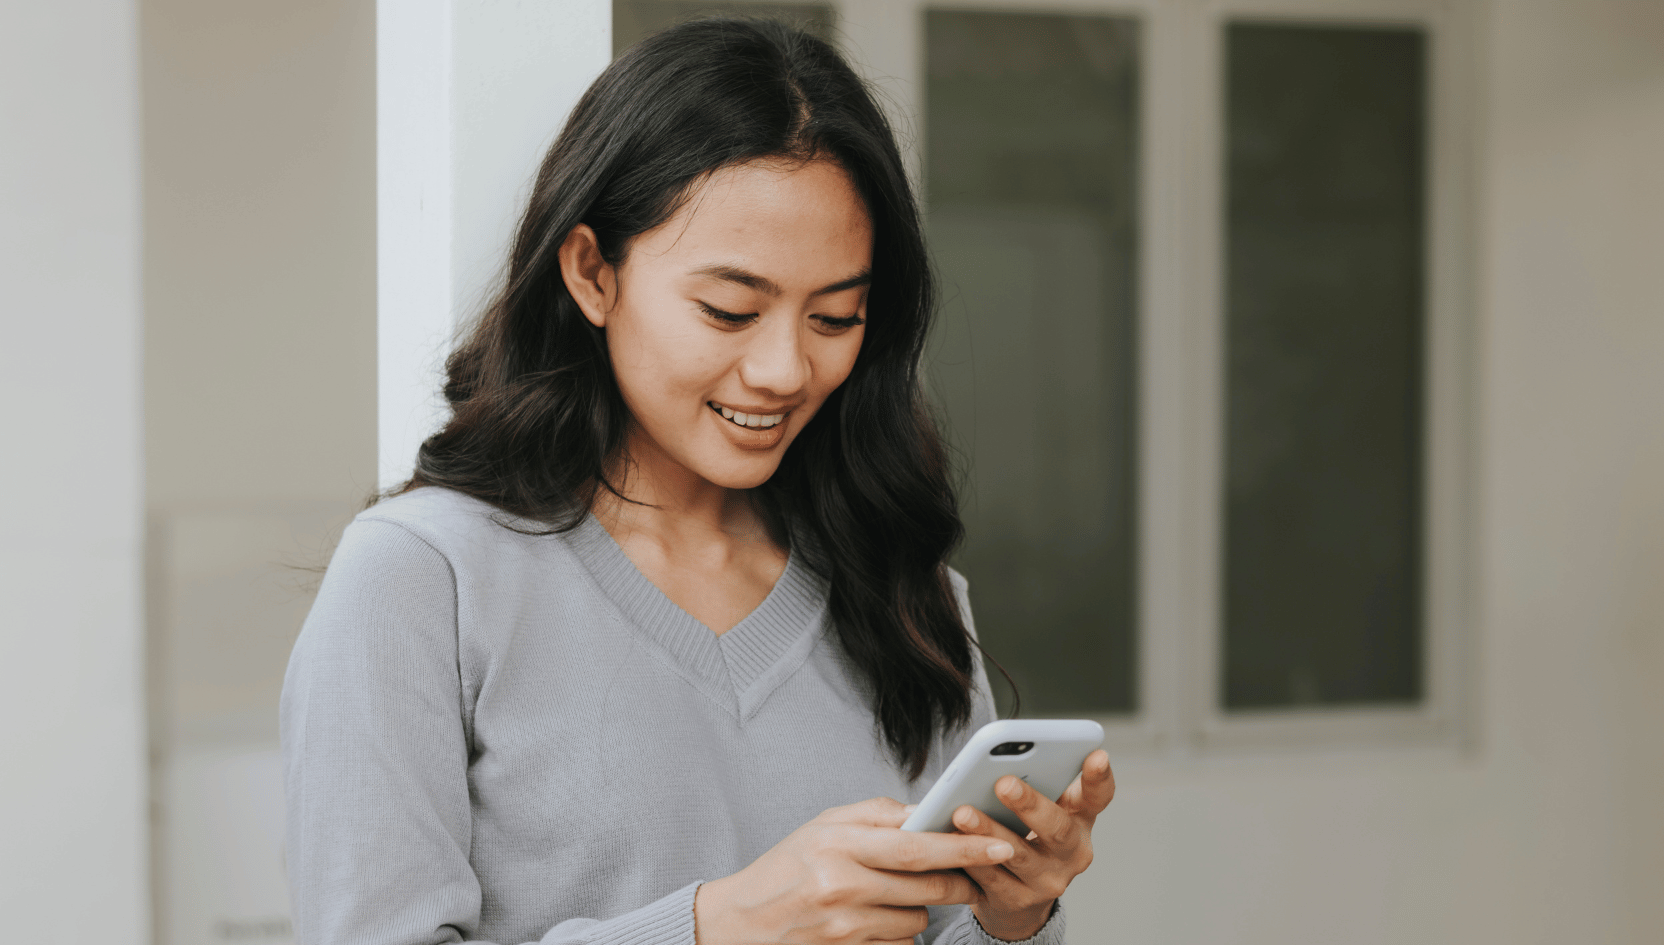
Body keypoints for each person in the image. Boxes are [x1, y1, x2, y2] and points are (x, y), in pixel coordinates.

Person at [280, 17, 1114, 945]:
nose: (784, 370)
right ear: (594, 274)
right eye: (730, 309)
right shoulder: (423, 579)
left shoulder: (903, 591)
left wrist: (1014, 918)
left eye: (836, 317)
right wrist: (716, 926)